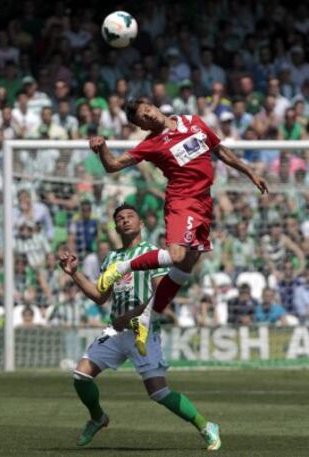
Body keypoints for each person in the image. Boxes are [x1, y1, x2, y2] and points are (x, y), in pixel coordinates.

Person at [90, 99, 268, 355]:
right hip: (182, 201)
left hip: (204, 202)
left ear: (153, 105)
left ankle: (146, 317)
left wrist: (249, 172)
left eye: (147, 110)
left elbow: (220, 150)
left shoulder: (193, 121)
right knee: (176, 256)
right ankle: (122, 267)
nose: (148, 116)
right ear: (141, 125)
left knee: (187, 264)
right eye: (142, 118)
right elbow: (113, 166)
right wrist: (102, 148)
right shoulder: (151, 144)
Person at [58, 203, 221, 450]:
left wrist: (133, 315)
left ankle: (206, 426)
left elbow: (161, 294)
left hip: (142, 330)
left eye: (130, 216)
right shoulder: (112, 258)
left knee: (158, 392)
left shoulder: (153, 252)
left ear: (141, 223)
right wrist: (74, 274)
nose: (124, 220)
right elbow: (100, 296)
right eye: (120, 218)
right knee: (81, 375)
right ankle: (97, 417)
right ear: (115, 226)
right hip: (115, 330)